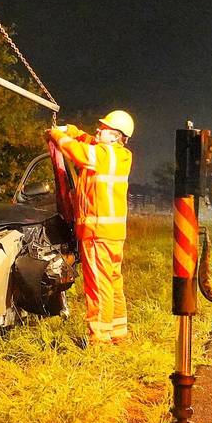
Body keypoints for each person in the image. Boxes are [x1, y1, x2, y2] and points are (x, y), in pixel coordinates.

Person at [48, 111, 134, 347]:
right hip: (112, 234)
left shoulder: (105, 155)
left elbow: (77, 151)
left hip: (97, 233)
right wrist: (73, 131)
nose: (98, 130)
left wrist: (57, 135)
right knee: (113, 282)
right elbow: (88, 141)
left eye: (103, 128)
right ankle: (118, 333)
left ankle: (100, 339)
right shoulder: (117, 155)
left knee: (98, 285)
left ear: (115, 136)